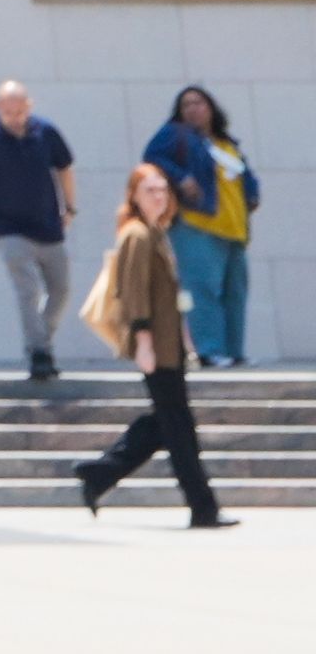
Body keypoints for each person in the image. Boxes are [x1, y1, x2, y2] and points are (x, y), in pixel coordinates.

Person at [72, 163, 234, 526]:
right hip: (155, 345)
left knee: (168, 422)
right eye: (150, 190)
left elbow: (168, 296)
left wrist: (184, 336)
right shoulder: (137, 235)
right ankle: (202, 507)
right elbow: (133, 294)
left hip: (168, 342)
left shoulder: (155, 232)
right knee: (177, 426)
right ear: (133, 195)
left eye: (163, 189)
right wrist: (143, 341)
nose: (159, 196)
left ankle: (99, 474)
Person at [0, 81, 77, 377]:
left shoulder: (45, 132)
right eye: (8, 110)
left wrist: (70, 206)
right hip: (8, 228)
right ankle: (38, 353)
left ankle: (41, 343)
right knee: (28, 289)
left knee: (61, 290)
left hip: (48, 225)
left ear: (30, 106)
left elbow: (64, 167)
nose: (15, 116)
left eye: (20, 110)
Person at [144, 86, 259, 370]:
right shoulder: (175, 134)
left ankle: (234, 351)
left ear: (211, 108)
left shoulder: (225, 142)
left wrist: (253, 193)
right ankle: (209, 350)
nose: (193, 109)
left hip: (233, 229)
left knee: (235, 292)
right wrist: (181, 177)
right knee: (202, 289)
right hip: (196, 224)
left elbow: (245, 174)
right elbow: (152, 157)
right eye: (186, 105)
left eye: (199, 103)